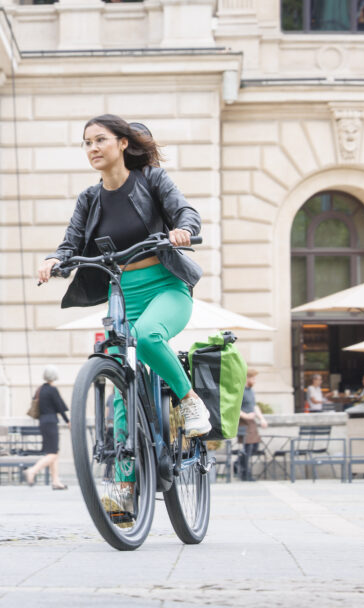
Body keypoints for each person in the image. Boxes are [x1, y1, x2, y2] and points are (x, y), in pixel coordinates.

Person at [36, 115, 208, 510]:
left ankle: (188, 399)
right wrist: (54, 260)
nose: (92, 148)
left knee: (148, 336)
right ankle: (123, 497)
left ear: (122, 144)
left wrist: (182, 230)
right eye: (86, 143)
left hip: (166, 286)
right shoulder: (89, 198)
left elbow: (186, 213)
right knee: (119, 386)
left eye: (100, 140)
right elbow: (71, 243)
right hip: (120, 292)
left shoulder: (152, 180)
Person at [23, 366, 70, 490]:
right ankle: (32, 471)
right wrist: (68, 421)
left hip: (42, 422)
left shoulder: (40, 389)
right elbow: (60, 407)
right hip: (51, 422)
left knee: (53, 452)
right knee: (53, 454)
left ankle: (56, 481)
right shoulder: (52, 390)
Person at [236, 368, 267, 482]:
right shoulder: (241, 390)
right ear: (247, 378)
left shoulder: (251, 391)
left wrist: (262, 419)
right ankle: (245, 474)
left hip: (252, 422)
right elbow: (235, 407)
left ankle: (237, 464)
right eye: (253, 378)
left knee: (255, 447)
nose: (254, 381)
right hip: (244, 423)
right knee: (247, 449)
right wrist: (245, 415)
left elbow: (255, 406)